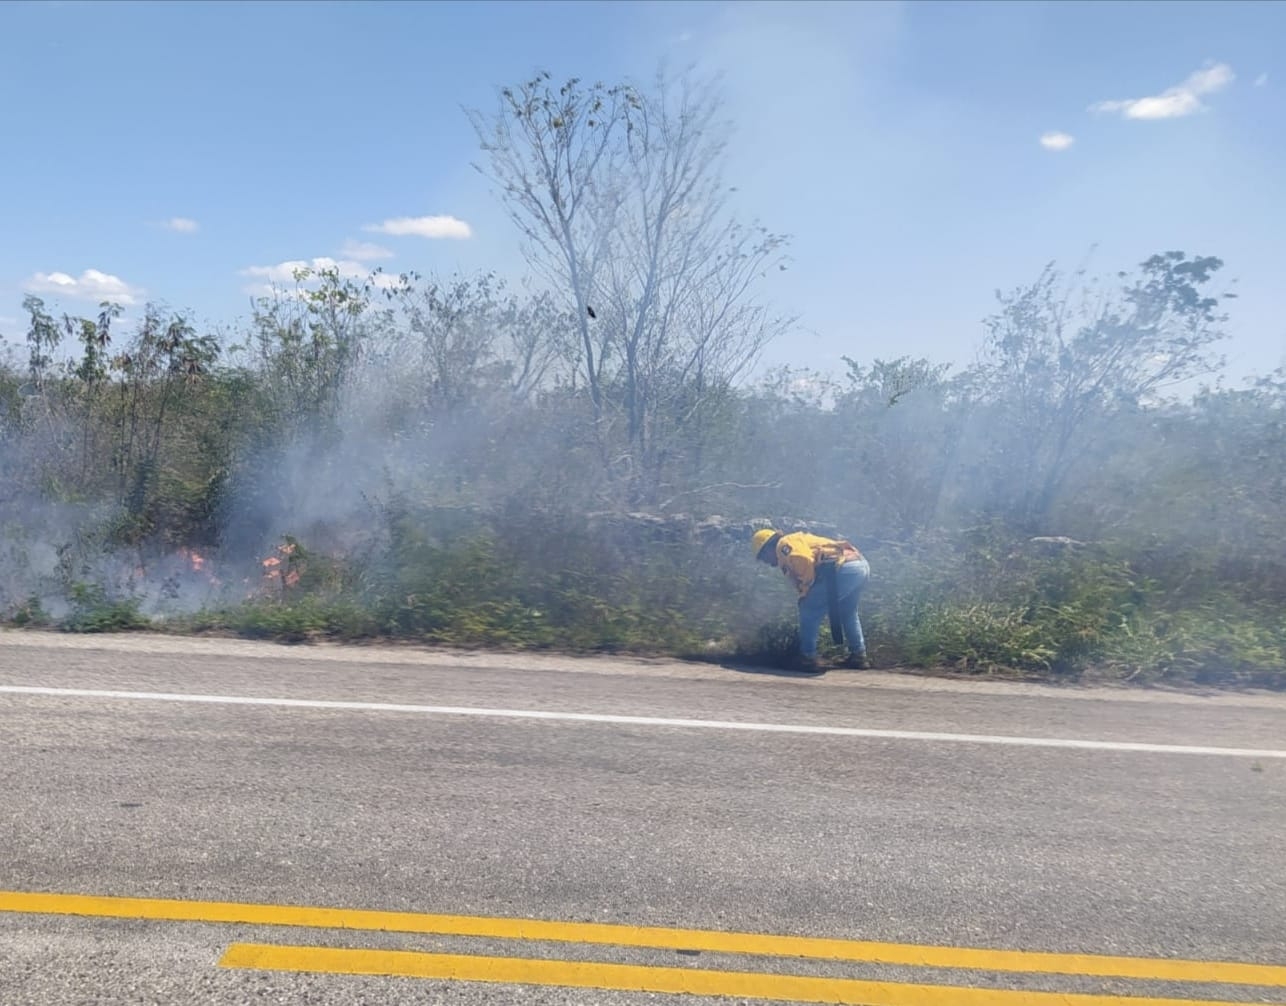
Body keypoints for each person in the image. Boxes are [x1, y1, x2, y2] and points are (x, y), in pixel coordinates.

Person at [751, 527, 871, 673]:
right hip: (858, 565)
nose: (767, 563)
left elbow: (804, 560)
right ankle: (858, 656)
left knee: (808, 608)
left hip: (841, 570)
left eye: (763, 558)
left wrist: (806, 592)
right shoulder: (793, 540)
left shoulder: (783, 546)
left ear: (767, 548)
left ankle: (807, 658)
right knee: (848, 612)